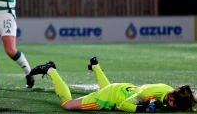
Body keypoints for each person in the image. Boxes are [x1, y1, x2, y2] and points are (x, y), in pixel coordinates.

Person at [30, 57, 197, 112]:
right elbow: (124, 105)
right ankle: (50, 69)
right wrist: (143, 109)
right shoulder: (150, 95)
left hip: (121, 88)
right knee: (68, 105)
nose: (171, 101)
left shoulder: (169, 91)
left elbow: (189, 97)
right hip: (109, 98)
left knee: (108, 88)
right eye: (172, 101)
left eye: (174, 101)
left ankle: (95, 66)